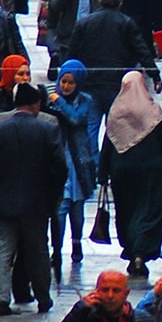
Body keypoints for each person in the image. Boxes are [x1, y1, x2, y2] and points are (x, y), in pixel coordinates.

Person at [0, 82, 69, 315]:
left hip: (1, 204)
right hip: (36, 205)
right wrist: (53, 198)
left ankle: (2, 299)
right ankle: (43, 298)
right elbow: (60, 168)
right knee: (37, 252)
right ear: (36, 104)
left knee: (3, 251)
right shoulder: (47, 130)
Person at [100, 71, 162, 276]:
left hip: (121, 173)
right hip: (151, 172)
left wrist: (102, 175)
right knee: (149, 212)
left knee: (126, 212)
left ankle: (131, 248)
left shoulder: (116, 112)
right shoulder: (153, 112)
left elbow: (107, 145)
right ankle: (141, 253)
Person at [72, 0, 162, 114]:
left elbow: (72, 52)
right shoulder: (127, 23)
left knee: (91, 123)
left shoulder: (84, 23)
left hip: (90, 81)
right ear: (121, 2)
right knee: (114, 124)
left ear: (99, 0)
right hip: (116, 82)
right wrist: (155, 76)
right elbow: (142, 51)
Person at [48, 60, 101, 267]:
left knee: (77, 209)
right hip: (59, 160)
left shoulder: (85, 101)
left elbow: (76, 119)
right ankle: (57, 249)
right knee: (60, 208)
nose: (66, 87)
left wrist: (59, 103)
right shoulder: (51, 99)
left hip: (78, 161)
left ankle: (76, 242)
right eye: (63, 81)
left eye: (70, 82)